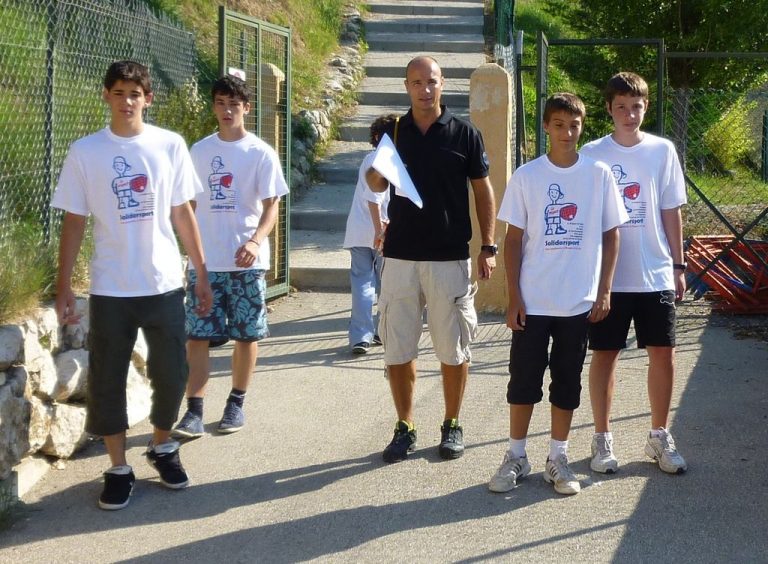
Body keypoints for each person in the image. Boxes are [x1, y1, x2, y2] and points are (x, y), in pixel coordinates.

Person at [52, 60, 212, 510]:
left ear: (148, 99)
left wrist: (200, 272)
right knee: (107, 378)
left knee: (172, 372)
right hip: (110, 287)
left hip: (163, 282)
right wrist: (64, 286)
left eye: (135, 94)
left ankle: (161, 446)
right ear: (106, 95)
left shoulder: (169, 145)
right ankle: (119, 468)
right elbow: (74, 221)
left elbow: (182, 212)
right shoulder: (86, 151)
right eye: (119, 92)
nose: (127, 101)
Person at [488, 93, 627, 495]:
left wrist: (603, 291)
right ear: (547, 127)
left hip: (577, 303)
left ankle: (558, 458)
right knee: (523, 381)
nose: (567, 133)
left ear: (583, 126)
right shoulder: (528, 176)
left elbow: (611, 235)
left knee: (567, 382)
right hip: (533, 302)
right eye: (560, 125)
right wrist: (514, 297)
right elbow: (513, 240)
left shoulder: (599, 174)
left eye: (575, 125)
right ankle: (516, 456)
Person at [365, 56, 497, 463]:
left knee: (453, 348)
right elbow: (375, 183)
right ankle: (404, 427)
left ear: (442, 84)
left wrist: (488, 246)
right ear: (407, 86)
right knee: (397, 348)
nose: (425, 89)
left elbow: (483, 191)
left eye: (432, 81)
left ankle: (452, 423)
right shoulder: (393, 131)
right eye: (417, 82)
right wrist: (379, 167)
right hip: (400, 257)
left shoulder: (465, 134)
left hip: (448, 257)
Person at [580, 72, 689, 475]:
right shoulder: (592, 153)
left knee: (663, 353)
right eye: (622, 107)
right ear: (609, 109)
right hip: (608, 278)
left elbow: (670, 210)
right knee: (605, 354)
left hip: (654, 272)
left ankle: (659, 436)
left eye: (637, 106)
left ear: (646, 107)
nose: (629, 114)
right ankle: (602, 438)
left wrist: (678, 265)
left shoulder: (662, 150)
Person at [172, 75, 289, 439]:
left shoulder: (261, 153)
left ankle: (236, 403)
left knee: (245, 335)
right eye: (221, 104)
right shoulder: (198, 151)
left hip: (246, 262)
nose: (227, 111)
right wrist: (191, 254)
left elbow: (272, 206)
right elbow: (188, 206)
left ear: (246, 109)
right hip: (206, 263)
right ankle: (194, 410)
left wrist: (255, 241)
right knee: (197, 336)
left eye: (234, 105)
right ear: (214, 107)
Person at [343, 114, 396, 355]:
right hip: (381, 231)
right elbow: (374, 199)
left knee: (362, 283)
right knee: (387, 284)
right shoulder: (386, 161)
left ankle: (360, 336)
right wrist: (379, 231)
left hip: (359, 231)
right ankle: (382, 331)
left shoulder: (369, 159)